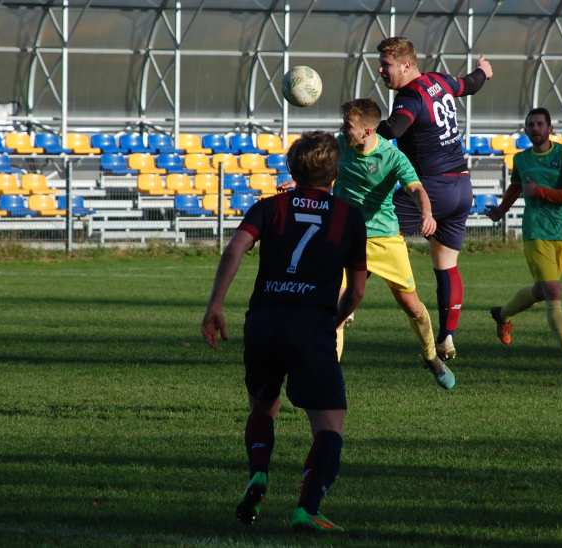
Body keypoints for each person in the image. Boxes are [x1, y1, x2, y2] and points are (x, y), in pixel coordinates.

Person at [201, 131, 367, 533]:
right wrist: (337, 317)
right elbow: (358, 288)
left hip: (264, 322)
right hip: (312, 325)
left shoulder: (269, 207)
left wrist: (216, 305)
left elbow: (235, 248)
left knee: (263, 406)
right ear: (335, 172)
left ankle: (259, 473)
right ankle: (306, 509)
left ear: (291, 168)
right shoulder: (349, 215)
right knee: (329, 426)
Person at [376, 36, 493, 361]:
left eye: (386, 65)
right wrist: (483, 70)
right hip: (460, 188)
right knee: (446, 264)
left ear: (406, 65)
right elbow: (470, 84)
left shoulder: (409, 96)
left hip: (431, 188)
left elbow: (395, 129)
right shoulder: (439, 80)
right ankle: (447, 338)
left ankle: (347, 302)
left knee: (368, 231)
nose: (381, 71)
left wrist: (365, 130)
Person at [334, 98, 455, 390]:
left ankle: (430, 357)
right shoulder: (339, 145)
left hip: (384, 238)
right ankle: (328, 371)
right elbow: (323, 172)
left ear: (367, 131)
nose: (342, 129)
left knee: (412, 307)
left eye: (348, 126)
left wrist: (426, 213)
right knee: (332, 307)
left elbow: (416, 188)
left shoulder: (392, 157)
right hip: (344, 237)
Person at [486, 107, 562, 369]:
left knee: (541, 291)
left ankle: (501, 314)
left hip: (559, 233)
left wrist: (541, 192)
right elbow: (516, 187)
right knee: (553, 290)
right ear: (526, 129)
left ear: (549, 129)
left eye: (539, 124)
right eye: (530, 125)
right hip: (535, 232)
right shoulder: (521, 160)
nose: (535, 128)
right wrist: (500, 210)